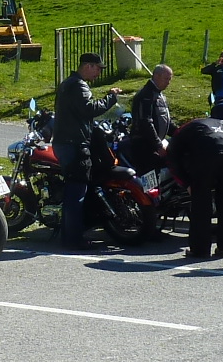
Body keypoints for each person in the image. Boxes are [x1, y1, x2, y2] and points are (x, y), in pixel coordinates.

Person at [53, 52, 121, 248]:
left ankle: (69, 235)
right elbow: (89, 109)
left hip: (66, 141)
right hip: (74, 143)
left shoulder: (68, 83)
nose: (99, 73)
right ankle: (73, 239)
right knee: (77, 192)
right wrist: (111, 98)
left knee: (73, 190)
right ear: (88, 66)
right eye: (97, 68)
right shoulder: (79, 85)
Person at [168, 116, 223, 259]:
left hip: (207, 155)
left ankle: (200, 250)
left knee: (201, 205)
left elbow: (172, 158)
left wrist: (186, 184)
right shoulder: (222, 122)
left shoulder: (183, 130)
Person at [127, 64, 174, 173]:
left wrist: (181, 132)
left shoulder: (159, 94)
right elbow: (145, 122)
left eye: (170, 79)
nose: (168, 82)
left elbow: (165, 120)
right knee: (150, 179)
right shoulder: (146, 95)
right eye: (166, 79)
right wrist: (158, 145)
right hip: (144, 147)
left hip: (155, 144)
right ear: (156, 76)